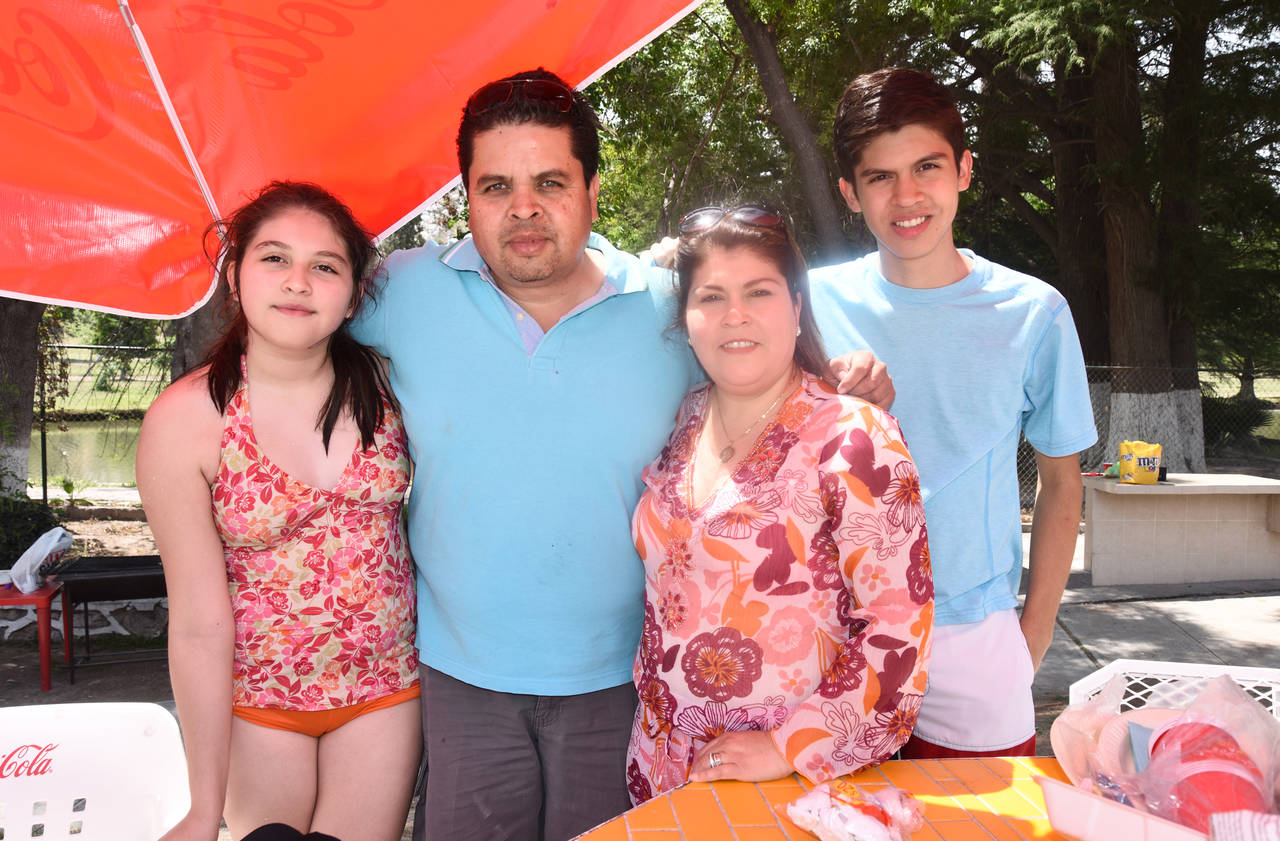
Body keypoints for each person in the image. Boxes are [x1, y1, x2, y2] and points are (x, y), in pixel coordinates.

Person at [347, 69, 892, 841]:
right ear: (466, 196)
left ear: (593, 191)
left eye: (550, 182)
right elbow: (290, 320)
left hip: (625, 682)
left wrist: (852, 377)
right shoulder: (403, 289)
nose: (524, 207)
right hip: (461, 678)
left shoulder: (669, 307)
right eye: (496, 186)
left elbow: (768, 376)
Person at [809, 67, 1098, 758]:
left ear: (964, 170)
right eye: (880, 177)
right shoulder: (802, 304)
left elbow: (1062, 483)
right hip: (829, 630)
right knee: (834, 815)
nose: (907, 196)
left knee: (984, 814)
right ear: (850, 192)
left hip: (972, 635)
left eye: (927, 167)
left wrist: (1032, 636)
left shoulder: (1034, 312)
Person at [137, 181, 421, 841]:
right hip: (259, 706)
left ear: (354, 294)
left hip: (384, 691)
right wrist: (202, 807)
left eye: (325, 265)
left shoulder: (392, 388)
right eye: (274, 258)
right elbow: (199, 624)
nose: (298, 281)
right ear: (234, 275)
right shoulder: (187, 420)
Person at [625, 205, 932, 802]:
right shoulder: (684, 416)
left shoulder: (854, 436)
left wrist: (788, 746)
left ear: (795, 307)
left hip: (791, 783)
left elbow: (899, 626)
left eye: (758, 292)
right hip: (661, 769)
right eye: (711, 297)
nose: (734, 315)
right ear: (686, 319)